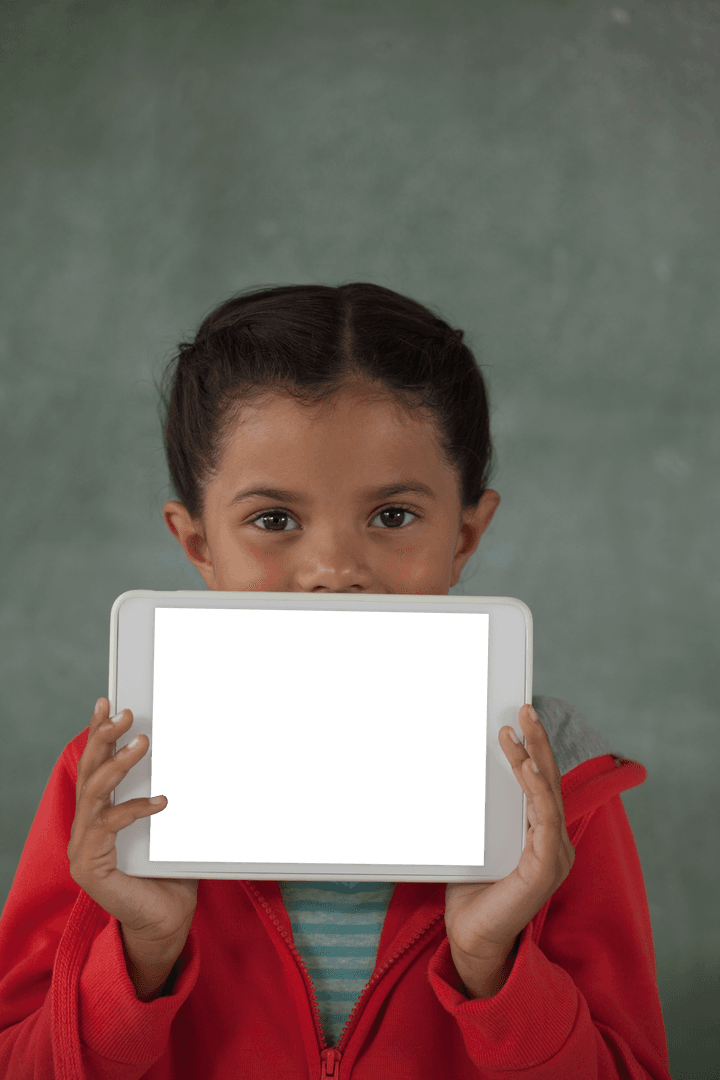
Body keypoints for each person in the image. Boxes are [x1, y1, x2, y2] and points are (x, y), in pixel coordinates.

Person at [0, 283, 671, 1079]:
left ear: (465, 536)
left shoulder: (556, 786)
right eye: (274, 520)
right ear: (197, 545)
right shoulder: (114, 784)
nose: (334, 573)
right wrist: (140, 960)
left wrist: (493, 969)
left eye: (392, 516)